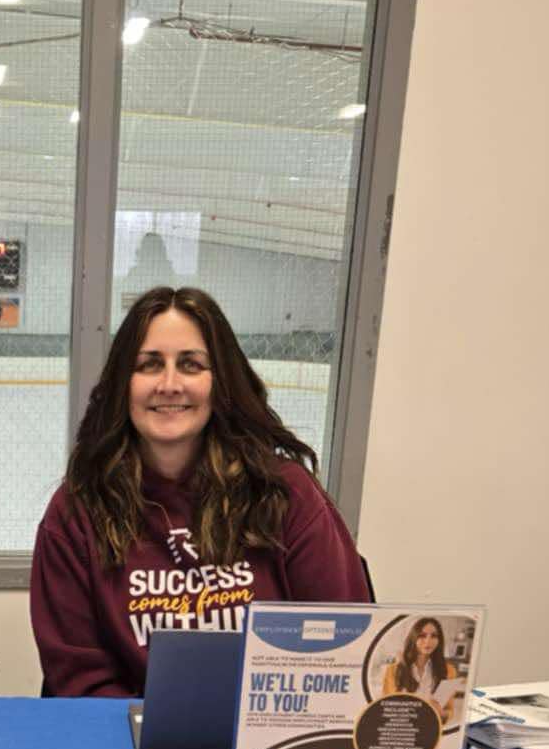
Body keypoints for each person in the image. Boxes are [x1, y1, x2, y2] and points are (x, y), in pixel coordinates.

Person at [30, 285, 369, 697]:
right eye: (149, 365)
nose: (169, 384)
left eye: (191, 365)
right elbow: (78, 680)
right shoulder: (77, 509)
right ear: (123, 383)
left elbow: (343, 645)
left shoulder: (286, 494)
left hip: (264, 743)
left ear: (220, 382)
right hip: (126, 744)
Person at [380, 616, 464, 728]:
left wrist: (441, 713)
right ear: (413, 638)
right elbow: (384, 707)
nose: (428, 641)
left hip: (431, 731)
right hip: (402, 732)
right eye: (422, 636)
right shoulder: (393, 670)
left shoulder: (449, 670)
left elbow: (449, 710)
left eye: (434, 636)